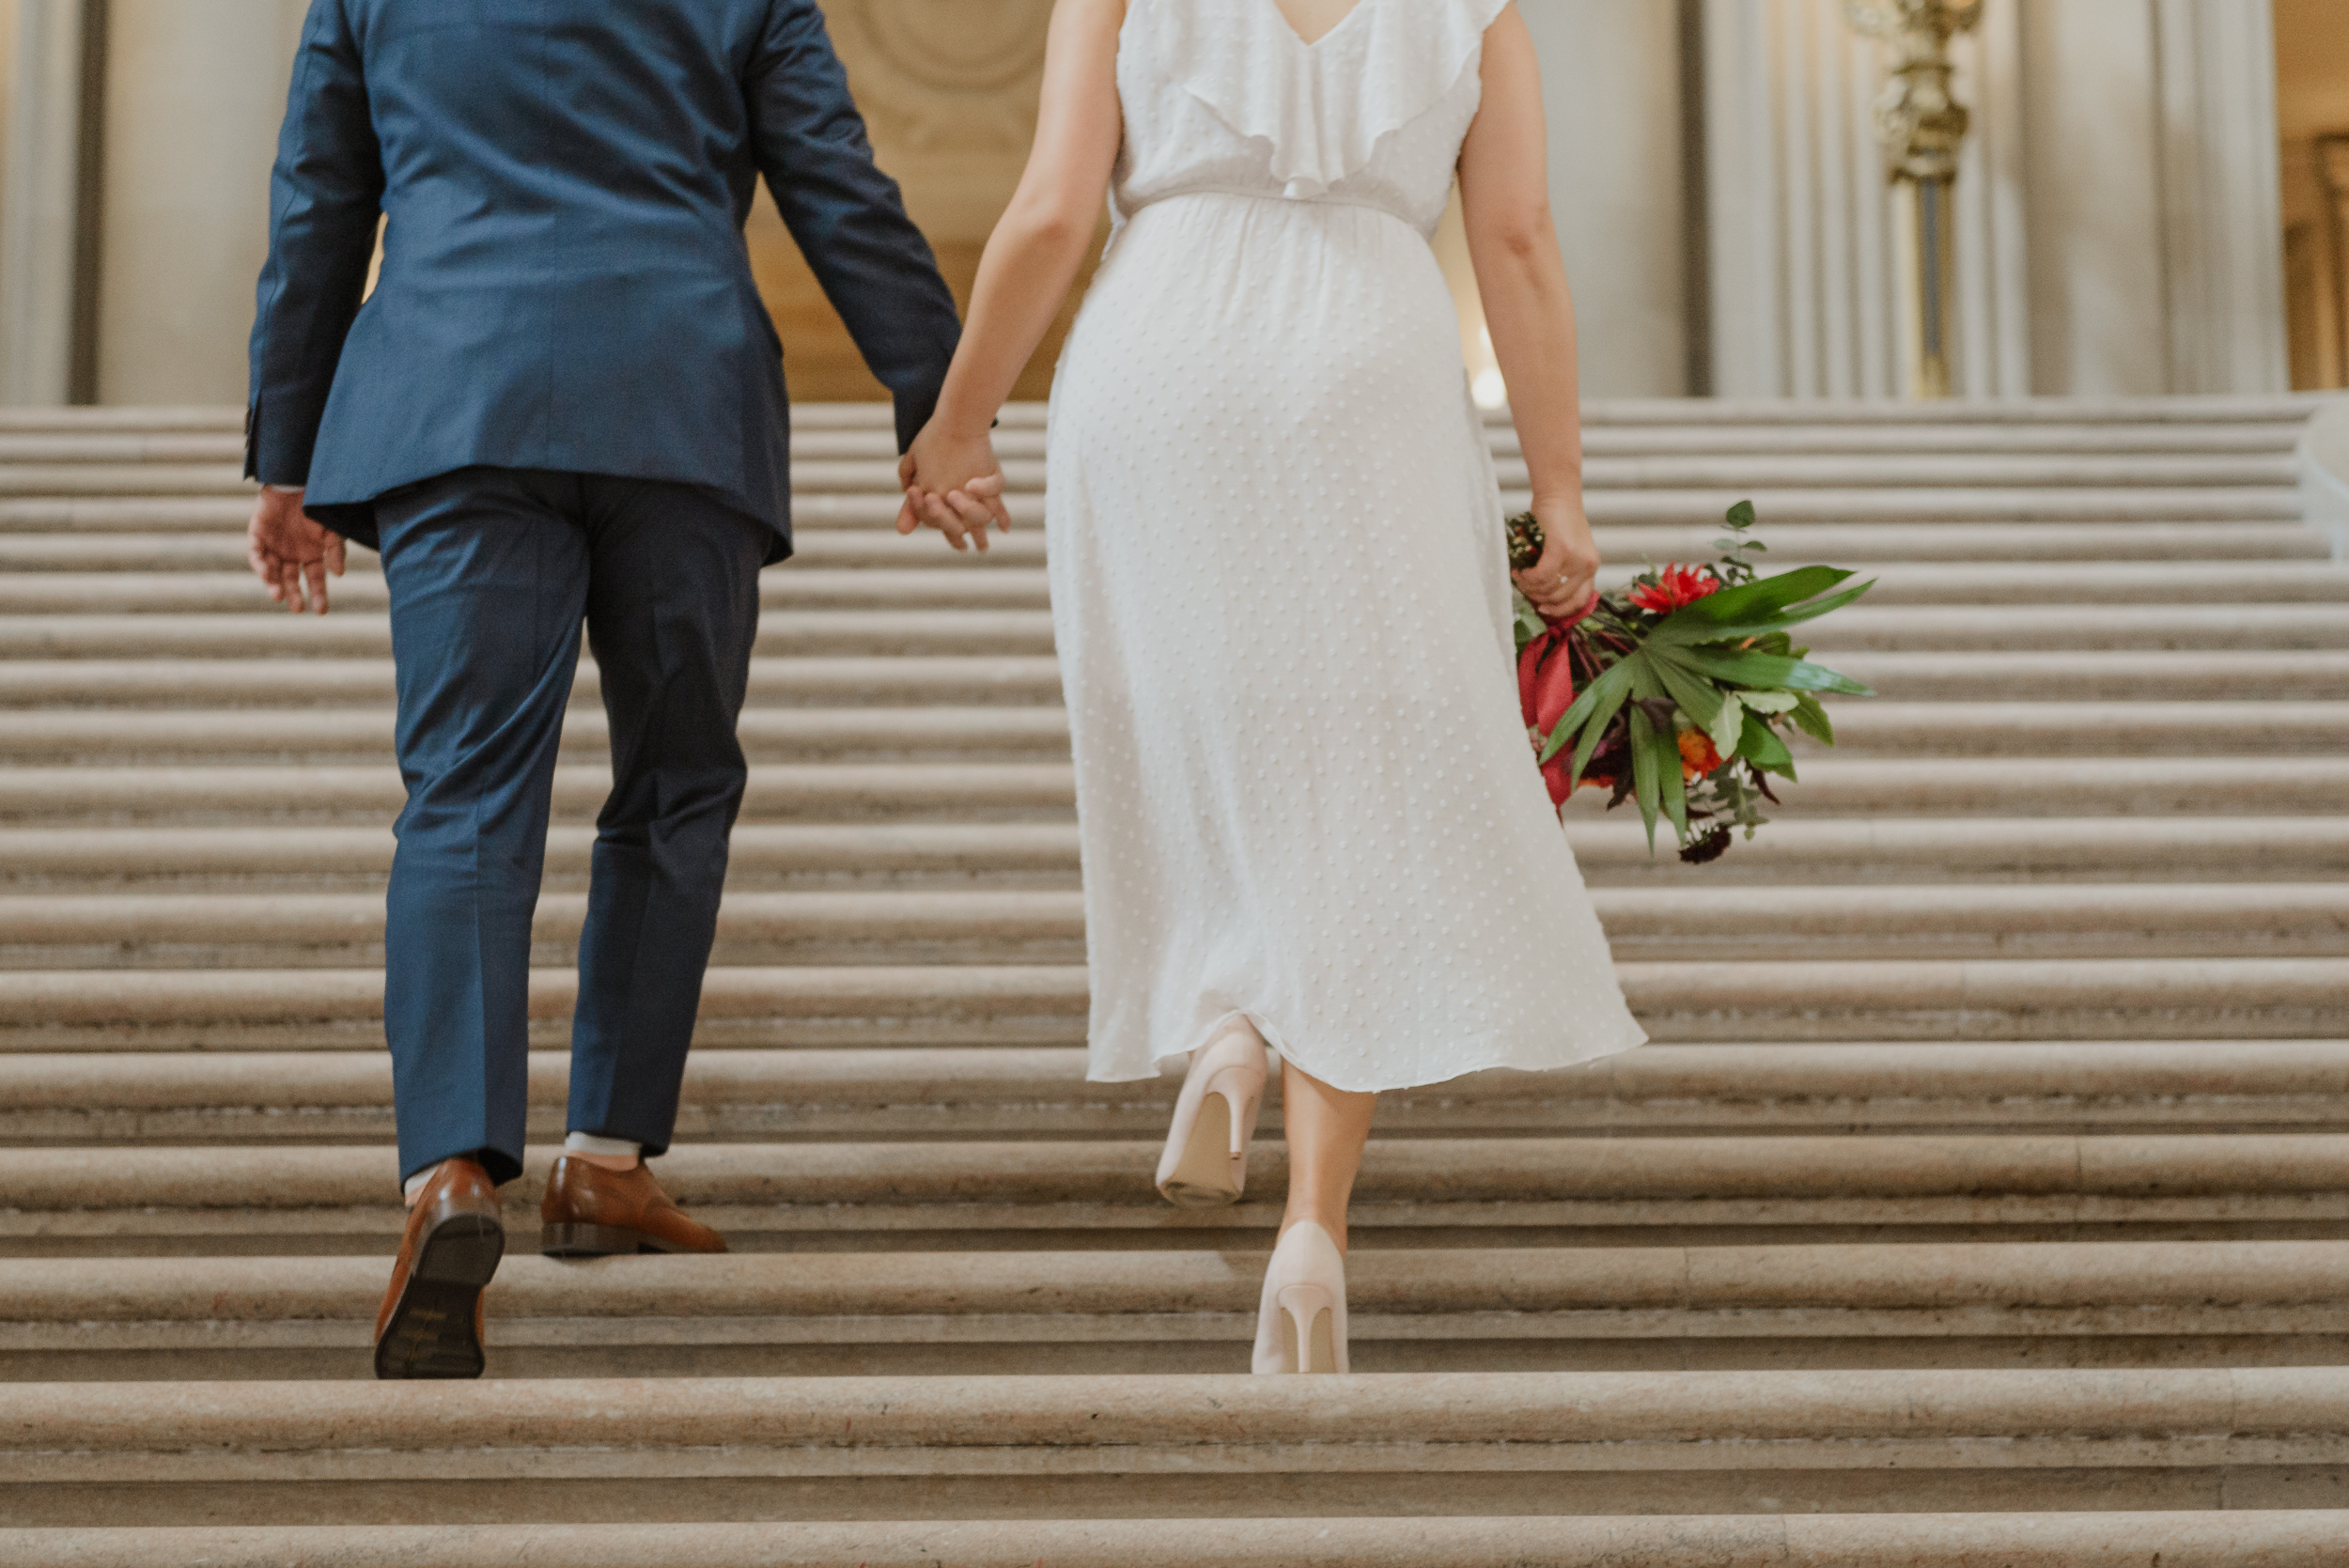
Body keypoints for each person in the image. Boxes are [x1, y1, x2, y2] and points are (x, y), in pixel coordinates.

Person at [898, 0, 1646, 1374]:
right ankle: (1313, 1229)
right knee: (1356, 792)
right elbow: (1520, 244)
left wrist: (958, 419)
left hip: (1160, 361)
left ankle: (1231, 1030)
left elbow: (1055, 211)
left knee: (1201, 741)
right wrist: (1560, 494)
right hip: (1371, 362)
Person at [243, 0, 962, 1379]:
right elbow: (835, 181)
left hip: (458, 400)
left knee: (462, 795)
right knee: (676, 782)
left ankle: (451, 1172)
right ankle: (606, 1154)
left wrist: (289, 449)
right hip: (678, 398)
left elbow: (319, 202)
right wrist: (938, 404)